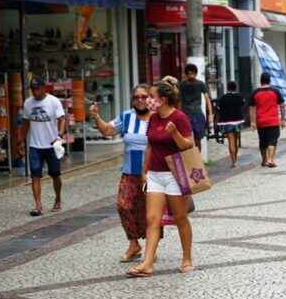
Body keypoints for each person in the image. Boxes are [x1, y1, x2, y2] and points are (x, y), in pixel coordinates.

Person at [127, 80, 195, 278]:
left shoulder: (179, 117)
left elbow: (188, 145)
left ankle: (187, 259)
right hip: (155, 175)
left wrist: (174, 133)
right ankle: (147, 264)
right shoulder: (154, 118)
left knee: (180, 218)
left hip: (176, 174)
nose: (148, 100)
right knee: (152, 220)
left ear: (163, 99)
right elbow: (149, 146)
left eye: (152, 97)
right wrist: (144, 171)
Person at [90, 84, 156, 262]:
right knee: (123, 206)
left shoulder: (157, 118)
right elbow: (107, 130)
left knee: (150, 212)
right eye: (136, 97)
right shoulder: (126, 117)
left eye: (144, 96)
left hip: (152, 173)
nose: (140, 100)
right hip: (129, 172)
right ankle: (134, 244)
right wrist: (96, 116)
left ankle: (151, 247)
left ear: (150, 98)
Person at [23, 77, 66, 216]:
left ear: (44, 88)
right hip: (35, 145)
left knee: (55, 174)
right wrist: (20, 141)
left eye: (37, 89)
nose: (35, 92)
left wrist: (59, 135)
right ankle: (38, 205)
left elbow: (62, 119)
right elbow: (25, 122)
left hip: (51, 145)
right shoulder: (28, 103)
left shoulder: (53, 101)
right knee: (35, 175)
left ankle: (58, 199)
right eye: (33, 89)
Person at [249, 73, 285, 168]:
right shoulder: (275, 91)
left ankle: (264, 160)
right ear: (269, 80)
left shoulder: (255, 92)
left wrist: (252, 121)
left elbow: (251, 108)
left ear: (261, 81)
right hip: (273, 121)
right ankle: (270, 159)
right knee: (272, 141)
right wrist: (282, 119)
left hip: (261, 121)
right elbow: (282, 105)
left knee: (263, 141)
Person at [179, 64, 213, 151]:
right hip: (187, 114)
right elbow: (179, 100)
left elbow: (207, 99)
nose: (191, 76)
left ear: (196, 73)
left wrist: (210, 114)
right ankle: (193, 160)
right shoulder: (182, 85)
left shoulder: (199, 84)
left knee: (197, 139)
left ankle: (197, 160)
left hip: (195, 114)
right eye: (190, 74)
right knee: (188, 139)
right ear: (186, 75)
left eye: (193, 74)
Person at [215, 81, 245, 168]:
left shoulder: (223, 98)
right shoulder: (239, 97)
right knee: (236, 141)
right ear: (236, 88)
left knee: (231, 141)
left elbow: (218, 108)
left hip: (227, 122)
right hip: (238, 121)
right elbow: (242, 105)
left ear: (227, 88)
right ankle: (236, 158)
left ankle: (233, 162)